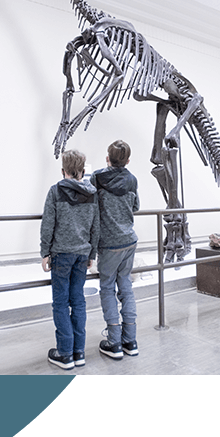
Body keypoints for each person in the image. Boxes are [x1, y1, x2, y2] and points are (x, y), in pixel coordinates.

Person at [40, 149, 99, 370]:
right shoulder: (92, 193)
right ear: (83, 171)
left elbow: (48, 224)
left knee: (61, 303)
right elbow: (96, 226)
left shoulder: (55, 191)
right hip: (81, 255)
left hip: (61, 255)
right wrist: (91, 253)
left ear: (63, 170)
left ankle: (65, 353)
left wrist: (45, 252)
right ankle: (79, 351)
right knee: (79, 301)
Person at [90, 140, 140, 360]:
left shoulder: (98, 178)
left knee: (107, 288)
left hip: (109, 244)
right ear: (128, 161)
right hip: (129, 240)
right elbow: (136, 207)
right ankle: (130, 340)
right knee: (126, 287)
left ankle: (114, 342)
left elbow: (90, 207)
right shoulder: (132, 179)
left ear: (107, 158)